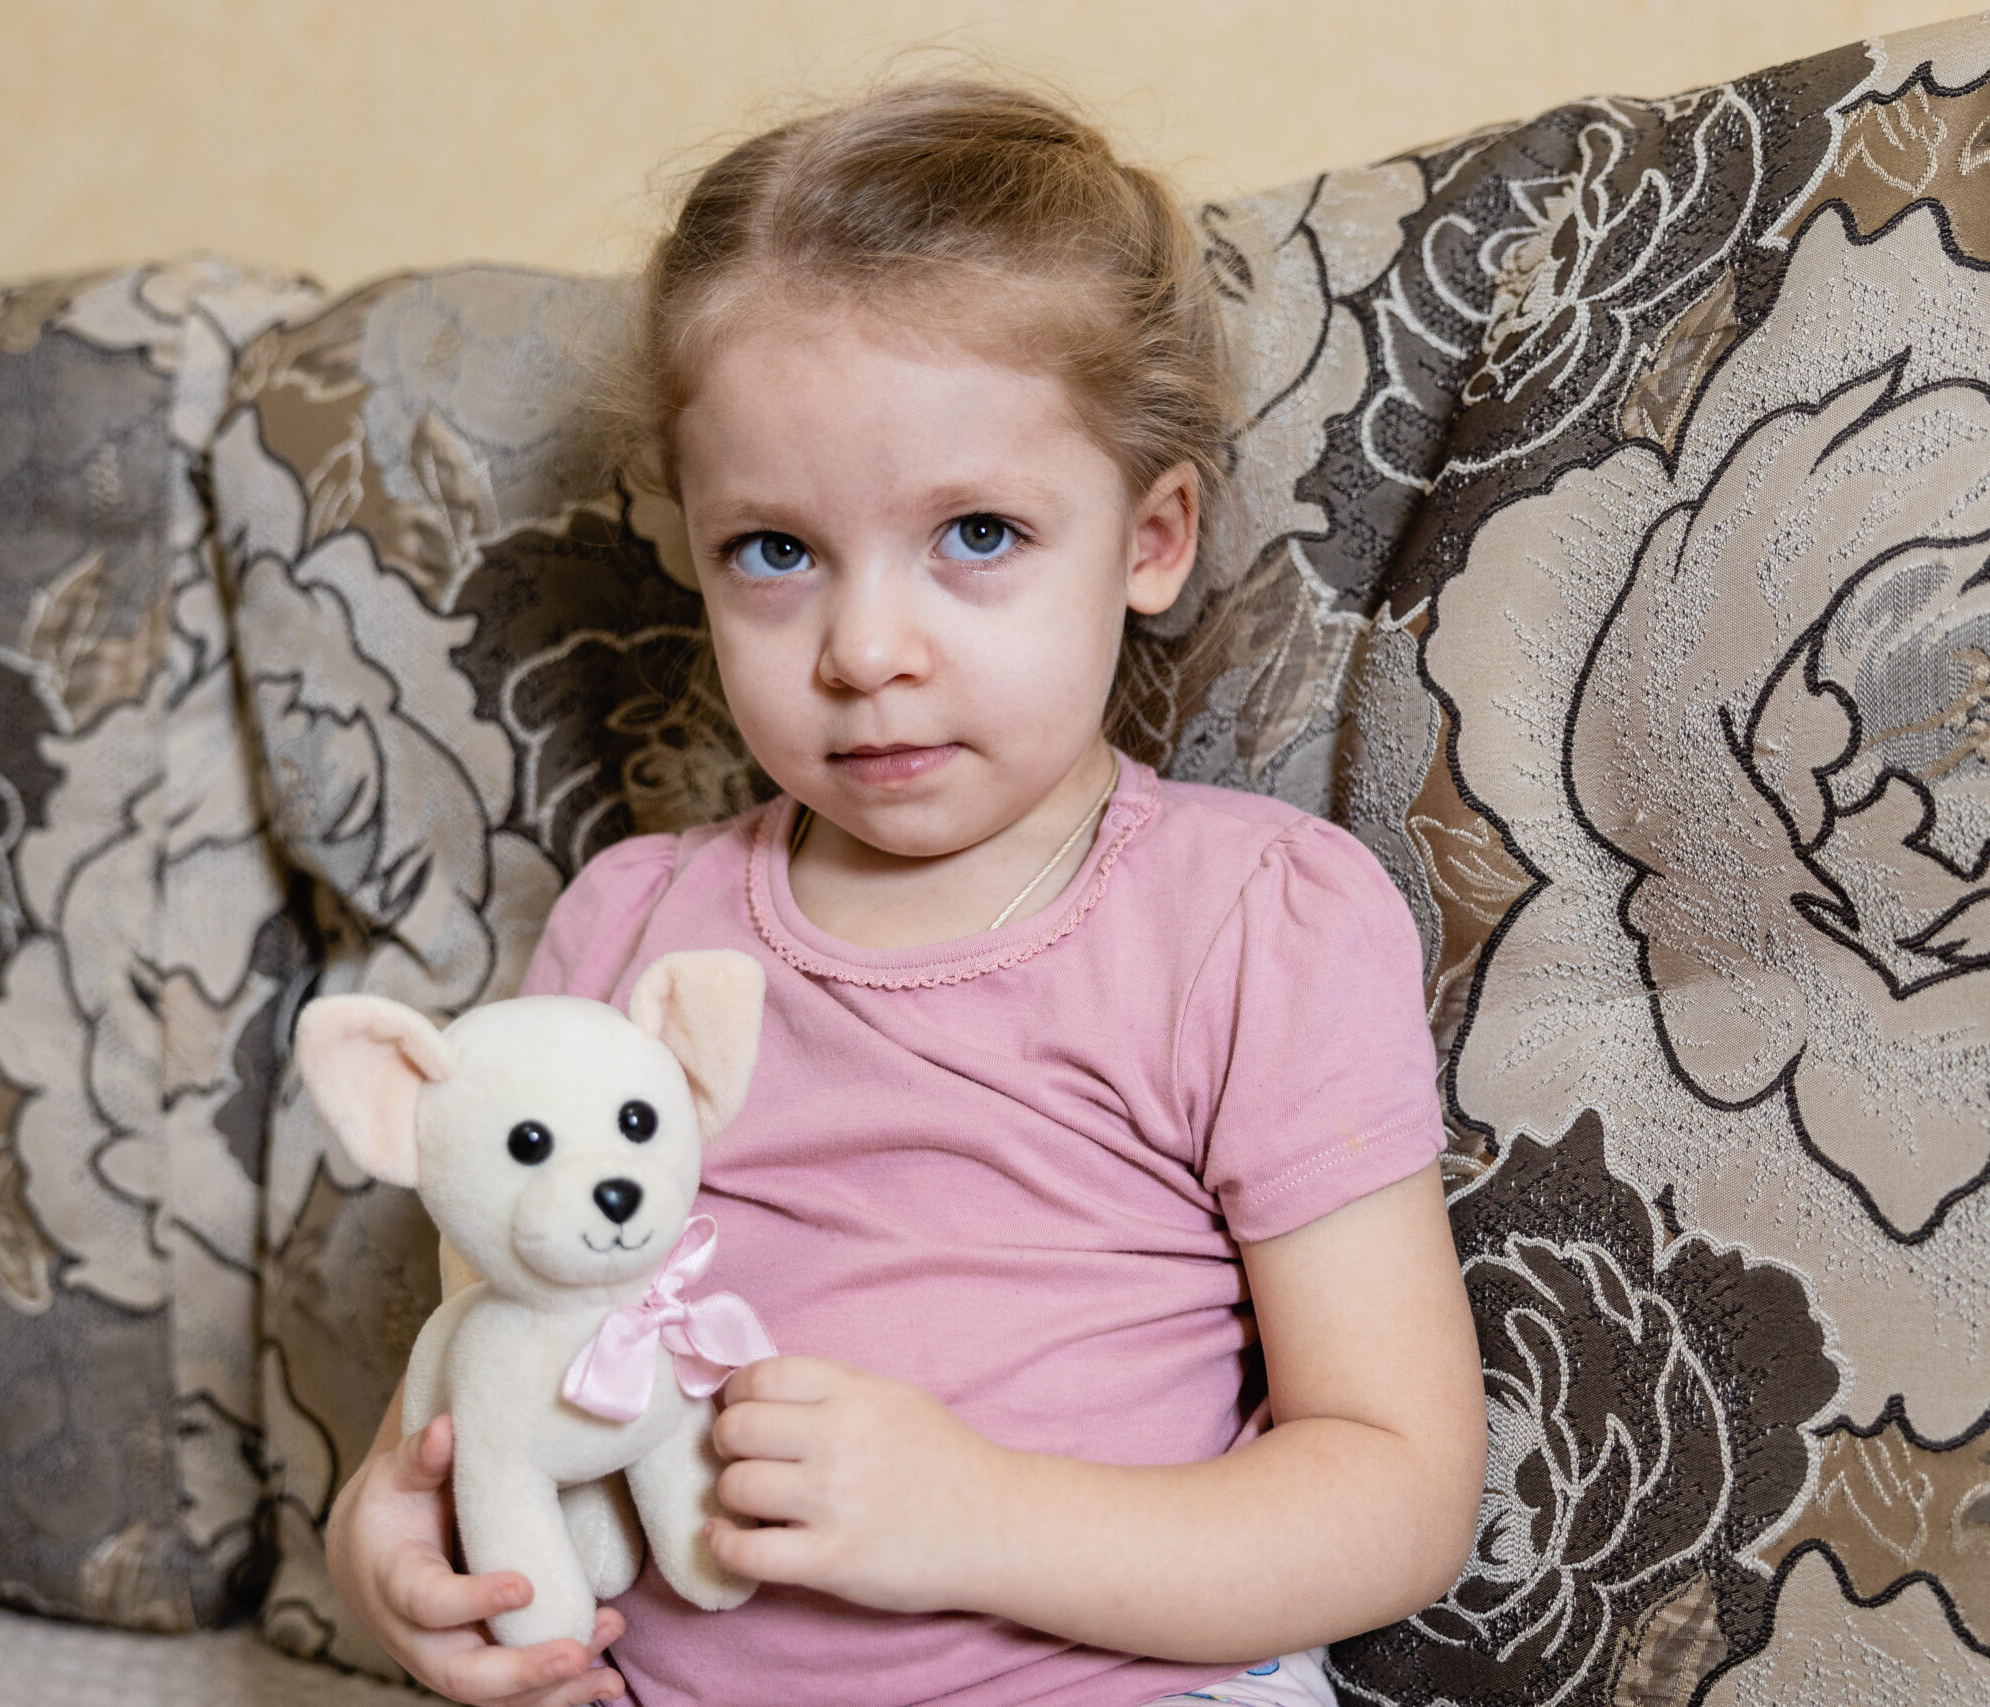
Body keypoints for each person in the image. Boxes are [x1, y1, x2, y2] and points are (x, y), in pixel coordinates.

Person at [323, 79, 1486, 1707]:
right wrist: (387, 1553)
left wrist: (971, 1516)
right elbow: (482, 1374)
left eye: (978, 533)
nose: (866, 651)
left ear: (1151, 539)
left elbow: (1398, 1491)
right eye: (775, 552)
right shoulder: (629, 934)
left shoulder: (1249, 921)